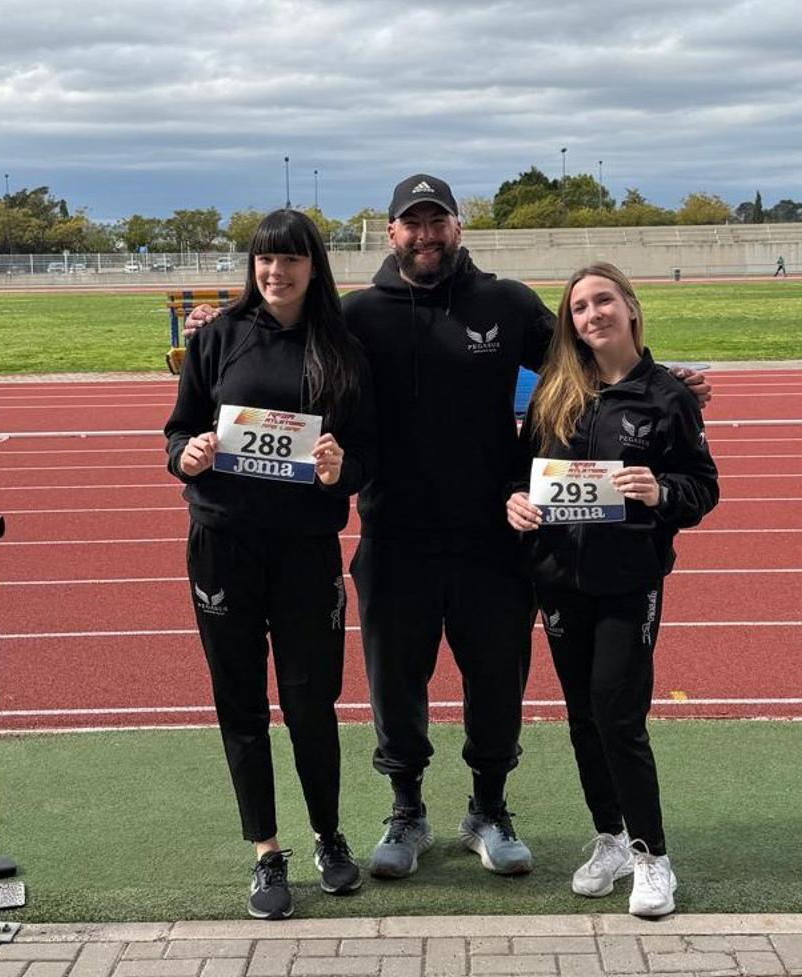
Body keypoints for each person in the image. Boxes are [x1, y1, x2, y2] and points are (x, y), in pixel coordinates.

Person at [185, 174, 712, 882]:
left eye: (438, 221)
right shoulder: (358, 314)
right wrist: (207, 331)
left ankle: (489, 808)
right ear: (391, 230)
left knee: (496, 680)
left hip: (492, 538)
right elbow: (282, 336)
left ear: (457, 227)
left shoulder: (506, 302)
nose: (425, 234)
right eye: (412, 223)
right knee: (396, 683)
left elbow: (586, 352)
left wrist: (665, 378)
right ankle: (406, 809)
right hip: (393, 534)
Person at [164, 209, 377, 920]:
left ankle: (328, 834)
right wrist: (185, 454)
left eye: (289, 259)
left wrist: (342, 469)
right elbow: (179, 426)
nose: (275, 272)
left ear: (314, 266)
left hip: (306, 550)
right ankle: (266, 849)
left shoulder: (341, 347)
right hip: (224, 544)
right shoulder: (219, 336)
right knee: (242, 705)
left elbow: (366, 456)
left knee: (311, 702)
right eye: (263, 259)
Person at [505, 262, 718, 917]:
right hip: (560, 583)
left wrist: (662, 492)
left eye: (602, 301)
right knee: (581, 718)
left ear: (629, 307)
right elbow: (520, 478)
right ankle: (612, 837)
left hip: (629, 581)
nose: (591, 315)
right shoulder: (553, 393)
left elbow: (703, 485)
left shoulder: (667, 396)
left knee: (616, 714)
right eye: (578, 308)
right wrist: (512, 504)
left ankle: (654, 857)